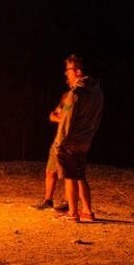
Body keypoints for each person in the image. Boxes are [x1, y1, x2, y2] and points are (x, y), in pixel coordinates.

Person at [32, 54, 104, 223]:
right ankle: (87, 211)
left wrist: (59, 143)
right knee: (80, 176)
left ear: (78, 72)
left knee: (70, 177)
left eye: (68, 70)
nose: (66, 73)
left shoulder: (75, 93)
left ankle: (72, 213)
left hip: (70, 141)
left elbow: (66, 122)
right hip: (85, 140)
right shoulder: (98, 93)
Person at [29, 92, 70, 212]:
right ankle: (48, 201)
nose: (67, 79)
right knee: (50, 171)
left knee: (68, 174)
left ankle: (67, 203)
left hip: (68, 140)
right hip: (58, 140)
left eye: (68, 75)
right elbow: (52, 115)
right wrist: (59, 118)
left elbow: (66, 118)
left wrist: (60, 118)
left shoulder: (75, 97)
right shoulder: (66, 98)